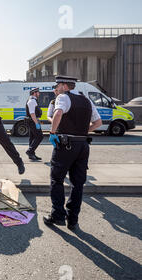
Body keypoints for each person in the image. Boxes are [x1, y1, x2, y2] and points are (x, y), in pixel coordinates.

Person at [44, 76, 103, 231]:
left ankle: (57, 215)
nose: (56, 89)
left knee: (56, 179)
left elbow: (57, 114)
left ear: (64, 85)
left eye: (58, 85)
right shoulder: (86, 100)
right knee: (78, 184)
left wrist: (52, 132)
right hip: (83, 145)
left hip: (66, 145)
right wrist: (83, 132)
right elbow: (98, 123)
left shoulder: (63, 97)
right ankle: (73, 220)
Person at [26, 88, 43, 161]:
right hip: (33, 121)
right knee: (39, 136)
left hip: (32, 121)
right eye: (38, 92)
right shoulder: (32, 101)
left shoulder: (33, 100)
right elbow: (32, 113)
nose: (39, 94)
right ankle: (30, 151)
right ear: (34, 93)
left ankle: (31, 154)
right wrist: (36, 123)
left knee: (32, 138)